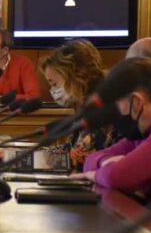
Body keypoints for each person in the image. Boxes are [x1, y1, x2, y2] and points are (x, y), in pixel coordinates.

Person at [75, 58, 151, 199]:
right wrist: (104, 161)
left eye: (117, 102)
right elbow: (90, 161)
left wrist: (94, 175)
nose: (116, 111)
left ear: (137, 100)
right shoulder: (142, 134)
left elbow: (115, 176)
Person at [40, 39, 112, 171]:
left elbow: (77, 159)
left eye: (54, 84)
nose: (53, 90)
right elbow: (69, 149)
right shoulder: (83, 105)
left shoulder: (100, 107)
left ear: (76, 76)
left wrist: (21, 158)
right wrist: (16, 156)